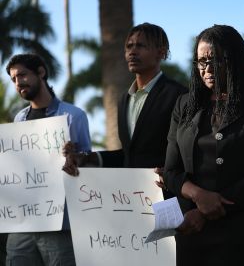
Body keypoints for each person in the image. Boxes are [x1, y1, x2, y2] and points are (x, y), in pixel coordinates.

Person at [160, 24, 244, 266]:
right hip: (193, 231)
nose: (207, 69)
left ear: (234, 59)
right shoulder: (184, 105)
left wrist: (207, 210)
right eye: (201, 61)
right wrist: (198, 196)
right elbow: (171, 170)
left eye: (216, 60)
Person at [62, 23, 187, 184]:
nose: (132, 52)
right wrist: (86, 159)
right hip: (133, 199)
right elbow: (129, 156)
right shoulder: (124, 100)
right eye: (129, 46)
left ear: (161, 53)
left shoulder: (178, 95)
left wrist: (173, 177)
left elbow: (188, 152)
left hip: (168, 197)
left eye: (140, 46)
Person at [5, 53, 91, 266]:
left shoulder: (73, 116)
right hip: (22, 223)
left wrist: (75, 157)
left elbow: (89, 165)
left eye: (22, 75)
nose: (18, 83)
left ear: (41, 72)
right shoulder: (19, 119)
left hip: (59, 223)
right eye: (14, 79)